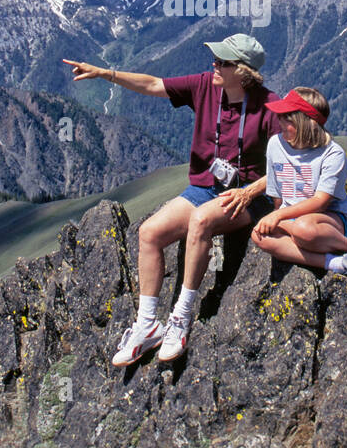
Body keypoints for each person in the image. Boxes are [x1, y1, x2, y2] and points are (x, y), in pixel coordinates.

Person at [63, 34, 280, 365]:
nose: (214, 65)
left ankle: (181, 316)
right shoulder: (206, 86)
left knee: (201, 220)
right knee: (149, 233)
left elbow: (287, 164)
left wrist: (250, 190)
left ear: (243, 71)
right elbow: (152, 84)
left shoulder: (269, 106)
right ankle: (147, 324)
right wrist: (105, 73)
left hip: (247, 197)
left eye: (222, 62)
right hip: (205, 188)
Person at [252, 87, 347, 279]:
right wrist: (277, 217)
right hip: (291, 217)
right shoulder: (275, 144)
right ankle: (336, 263)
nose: (279, 120)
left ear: (306, 123)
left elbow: (320, 202)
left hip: (330, 218)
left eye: (287, 118)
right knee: (259, 236)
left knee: (304, 230)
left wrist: (278, 217)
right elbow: (277, 194)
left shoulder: (332, 154)